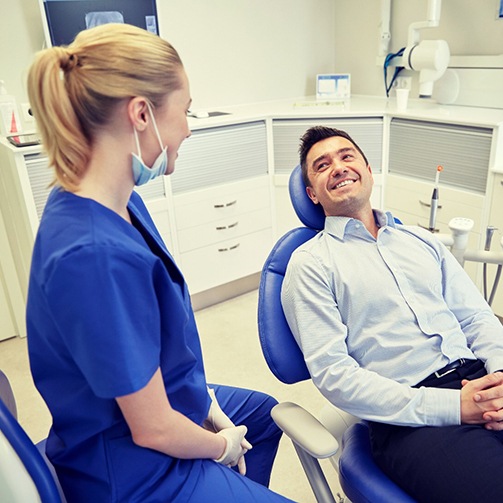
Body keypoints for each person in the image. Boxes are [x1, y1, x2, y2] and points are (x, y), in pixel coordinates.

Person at [26, 23, 294, 503]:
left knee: (262, 416)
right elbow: (152, 430)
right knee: (237, 440)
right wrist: (217, 445)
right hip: (134, 470)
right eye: (185, 111)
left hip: (161, 406)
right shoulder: (93, 255)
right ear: (142, 114)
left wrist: (205, 401)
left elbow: (156, 344)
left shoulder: (119, 202)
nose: (189, 127)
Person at [281, 125, 503, 503]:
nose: (337, 167)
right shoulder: (311, 265)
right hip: (411, 419)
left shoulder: (422, 241)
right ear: (312, 194)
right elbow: (335, 376)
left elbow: (477, 317)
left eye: (347, 156)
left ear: (368, 170)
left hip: (481, 379)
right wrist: (453, 407)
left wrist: (499, 376)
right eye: (321, 166)